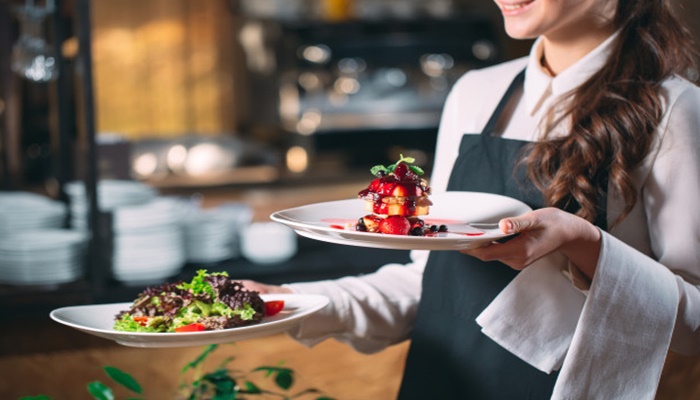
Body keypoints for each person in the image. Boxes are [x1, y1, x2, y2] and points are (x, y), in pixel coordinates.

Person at [242, 0, 700, 398]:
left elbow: (692, 327)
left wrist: (583, 242)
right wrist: (291, 301)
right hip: (440, 384)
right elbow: (432, 284)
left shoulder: (676, 109)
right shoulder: (475, 94)